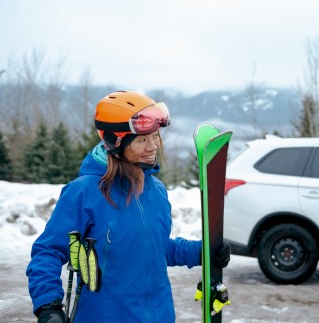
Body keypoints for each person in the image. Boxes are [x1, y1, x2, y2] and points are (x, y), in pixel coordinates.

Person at [26, 91, 230, 323]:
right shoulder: (84, 192)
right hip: (106, 316)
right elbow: (48, 251)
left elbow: (156, 249)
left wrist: (202, 252)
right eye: (142, 140)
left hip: (159, 315)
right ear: (116, 143)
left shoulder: (156, 190)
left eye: (155, 137)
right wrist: (48, 305)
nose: (153, 146)